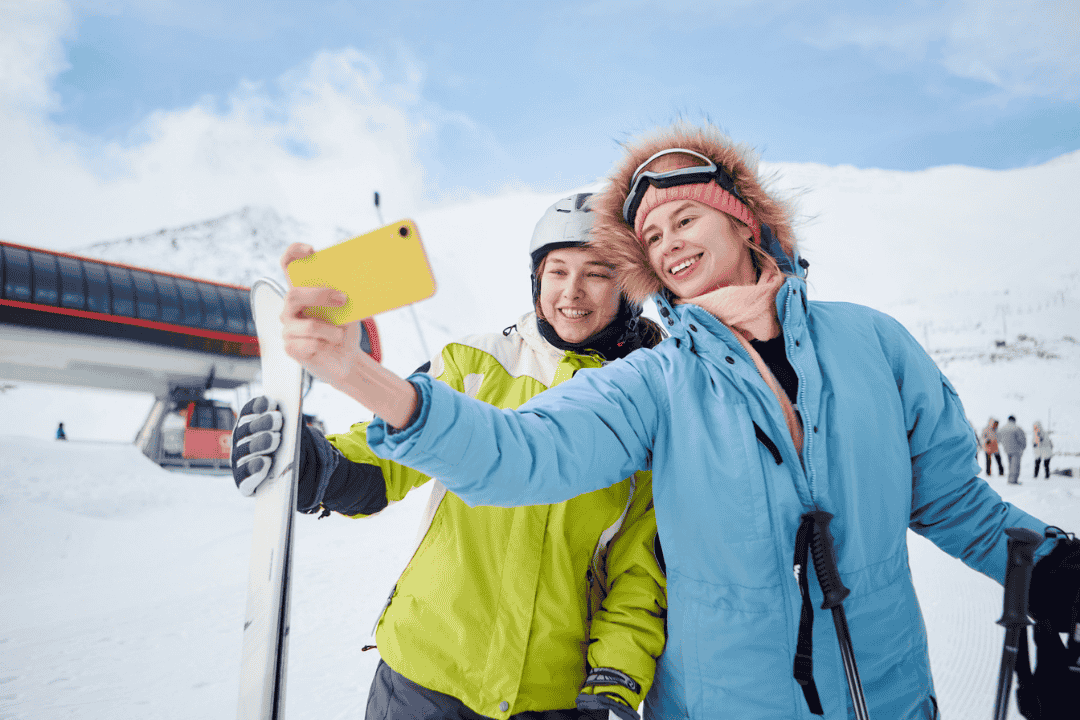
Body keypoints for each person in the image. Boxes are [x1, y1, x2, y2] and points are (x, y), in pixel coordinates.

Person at [278, 122, 1080, 719]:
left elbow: (954, 503)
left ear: (744, 220)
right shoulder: (655, 382)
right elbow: (521, 452)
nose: (668, 243)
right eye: (652, 236)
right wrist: (353, 371)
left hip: (889, 696)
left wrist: (1050, 567)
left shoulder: (875, 345)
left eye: (685, 218)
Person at [233, 194, 667, 720]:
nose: (571, 291)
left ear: (629, 288)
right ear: (536, 280)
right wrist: (317, 466)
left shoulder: (647, 405)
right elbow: (385, 453)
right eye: (557, 271)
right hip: (423, 677)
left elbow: (642, 561)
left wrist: (616, 673)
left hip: (551, 694)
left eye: (596, 273)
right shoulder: (475, 362)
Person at [998, 415, 1027, 485]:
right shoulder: (1017, 428)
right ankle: (1013, 480)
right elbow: (1022, 439)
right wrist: (1023, 447)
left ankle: (1010, 479)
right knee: (1015, 465)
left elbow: (999, 438)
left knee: (1010, 465)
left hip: (1007, 449)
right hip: (1016, 449)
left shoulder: (1003, 428)